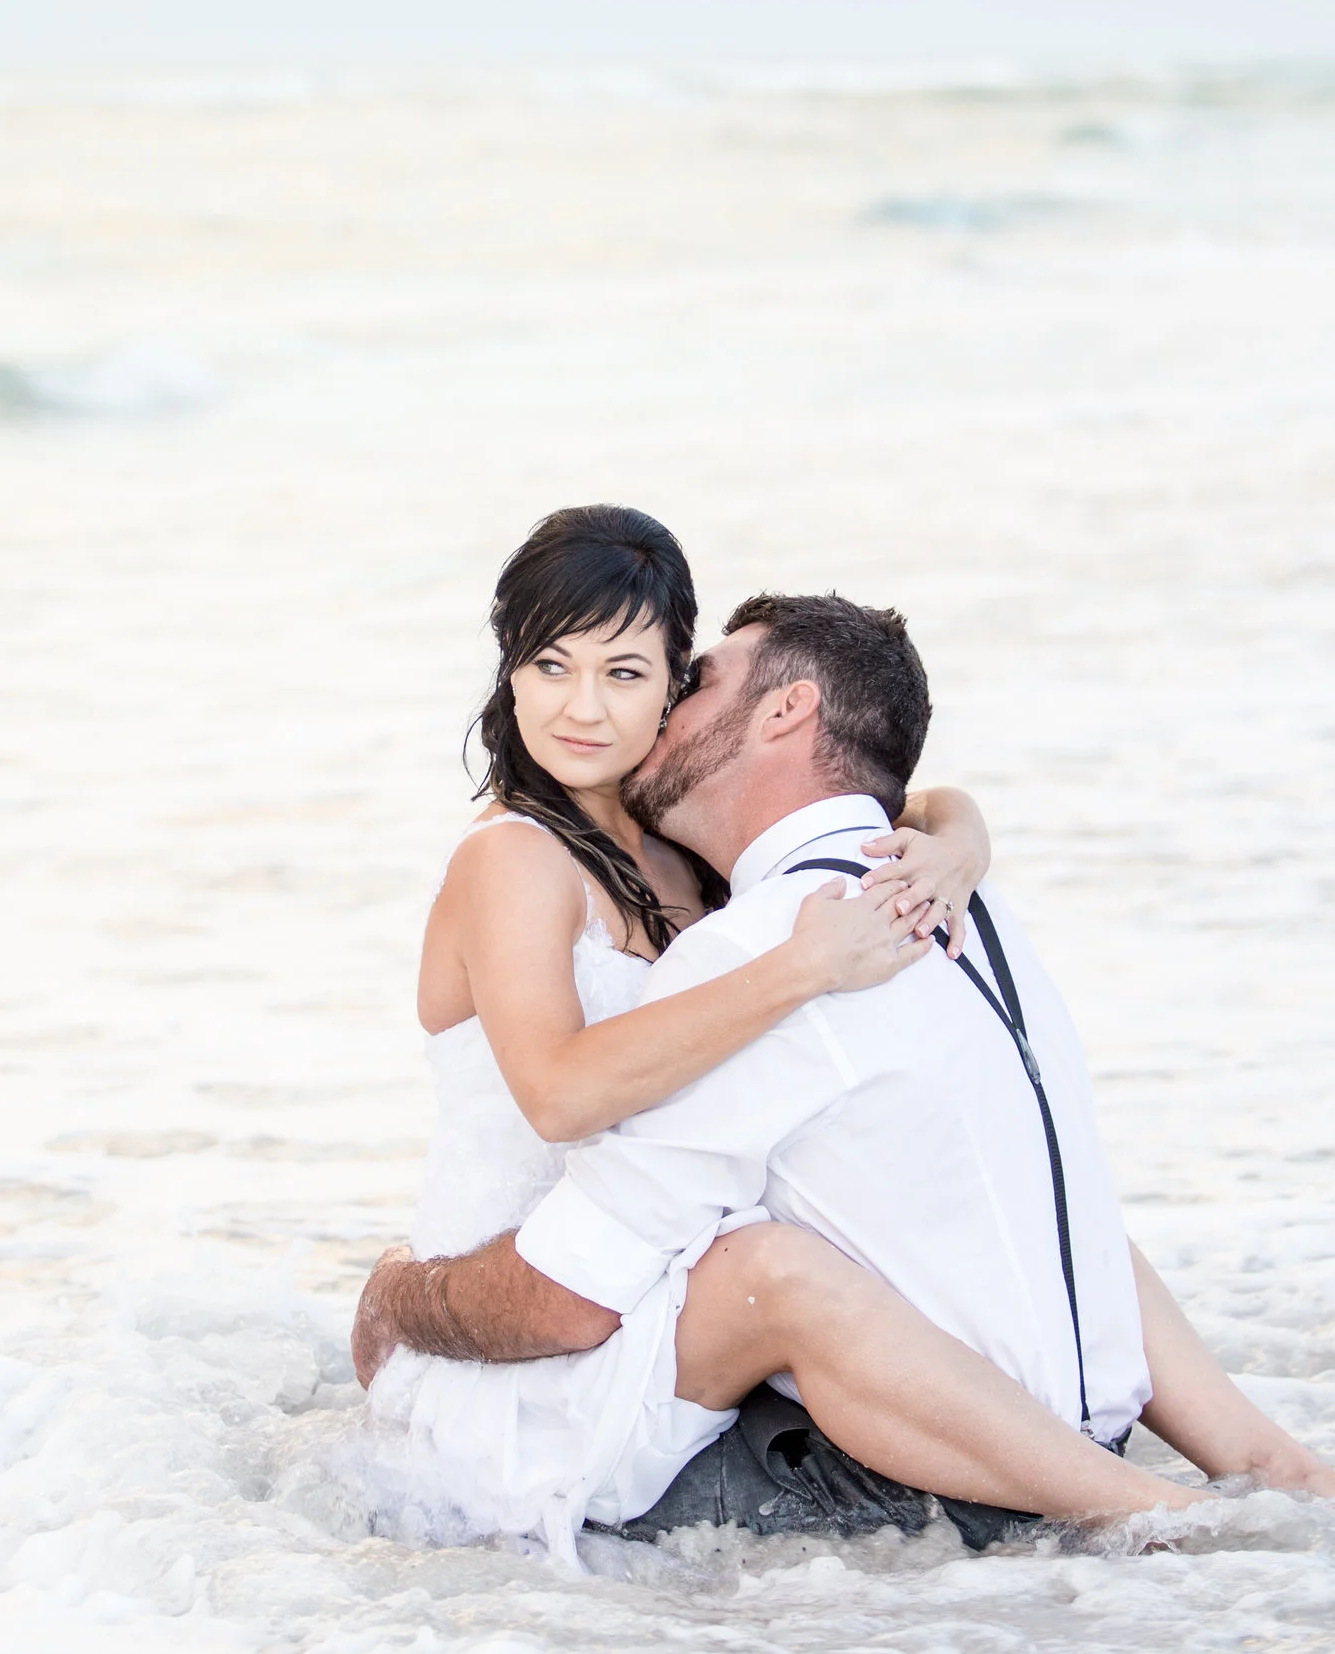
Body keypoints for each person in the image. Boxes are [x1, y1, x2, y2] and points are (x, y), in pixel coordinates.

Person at [356, 580, 1335, 1560]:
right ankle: (1277, 1470)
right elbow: (922, 803)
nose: (649, 711)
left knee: (764, 1268)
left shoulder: (772, 942)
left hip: (924, 1481)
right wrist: (962, 837)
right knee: (1027, 1201)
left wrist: (401, 1296)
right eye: (552, 665)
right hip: (1041, 1421)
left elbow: (570, 1290)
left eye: (677, 679)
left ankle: (1150, 1511)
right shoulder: (967, 911)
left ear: (786, 709)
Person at [363, 505, 999, 1557]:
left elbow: (904, 792)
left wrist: (959, 841)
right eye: (549, 665)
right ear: (508, 671)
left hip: (653, 1282)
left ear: (675, 682)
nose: (580, 709)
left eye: (623, 674)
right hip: (516, 1327)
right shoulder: (512, 860)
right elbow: (560, 1096)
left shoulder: (677, 850)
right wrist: (803, 967)